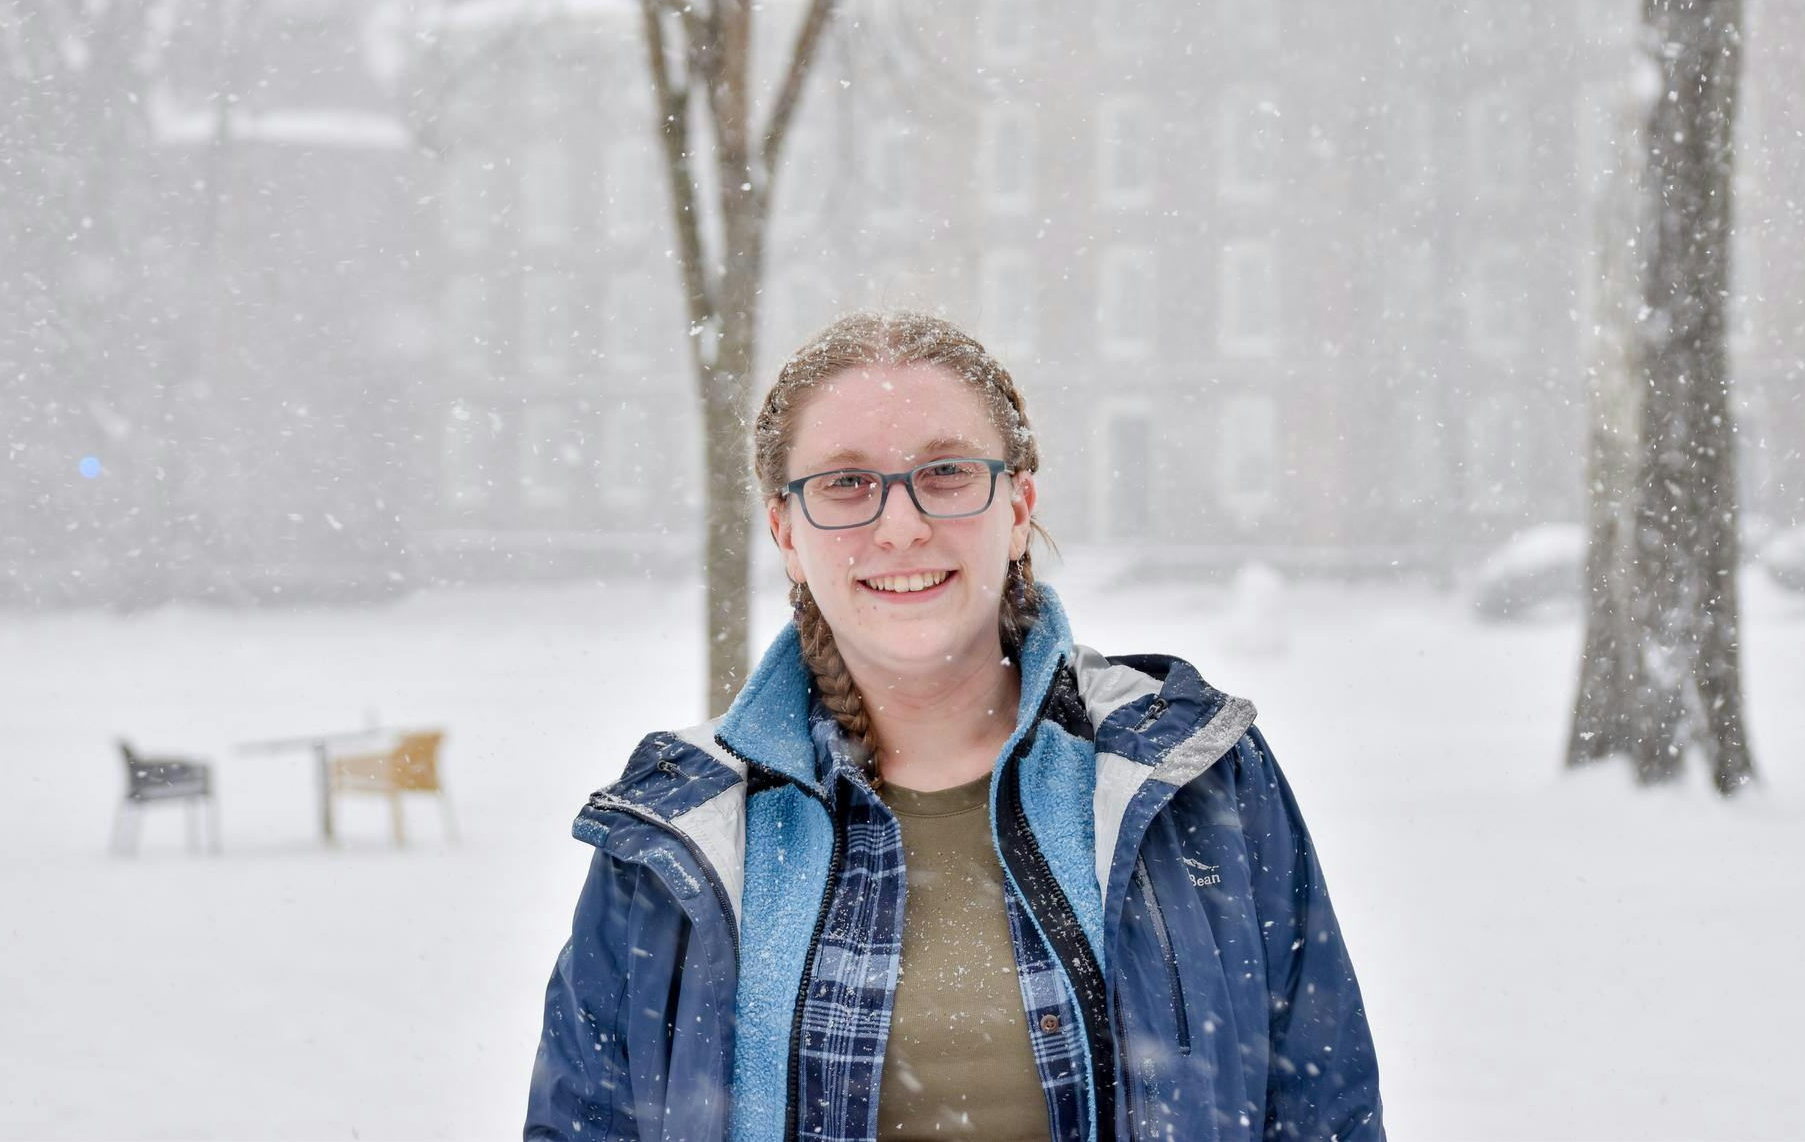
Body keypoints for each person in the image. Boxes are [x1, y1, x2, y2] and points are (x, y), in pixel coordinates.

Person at [525, 310, 1384, 1141]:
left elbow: (1324, 1111)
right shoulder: (682, 836)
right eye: (846, 482)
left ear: (1018, 506)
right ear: (786, 531)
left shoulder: (1192, 777)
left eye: (945, 472)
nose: (900, 525)